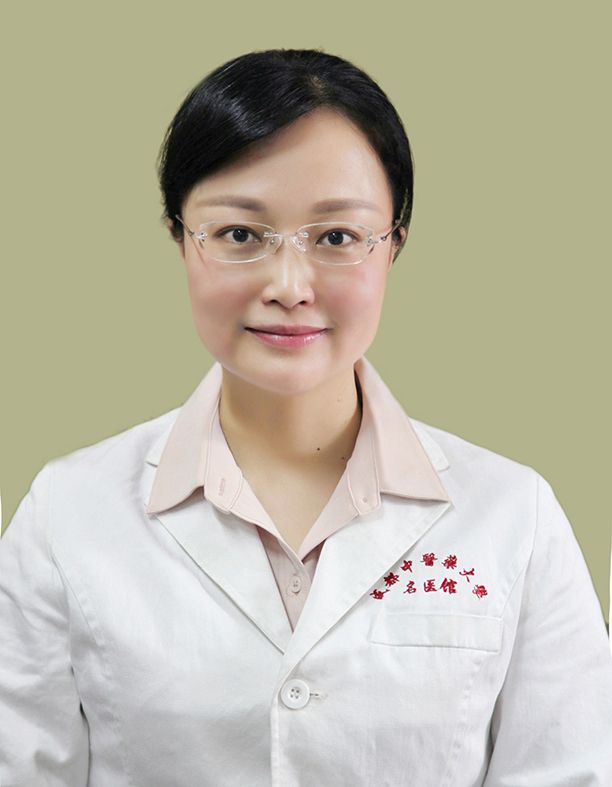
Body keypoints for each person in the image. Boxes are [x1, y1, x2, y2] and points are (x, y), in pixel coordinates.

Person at [0, 48, 610, 786]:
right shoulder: (68, 513)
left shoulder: (515, 516)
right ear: (179, 238)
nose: (290, 286)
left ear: (394, 246)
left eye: (337, 237)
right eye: (239, 234)